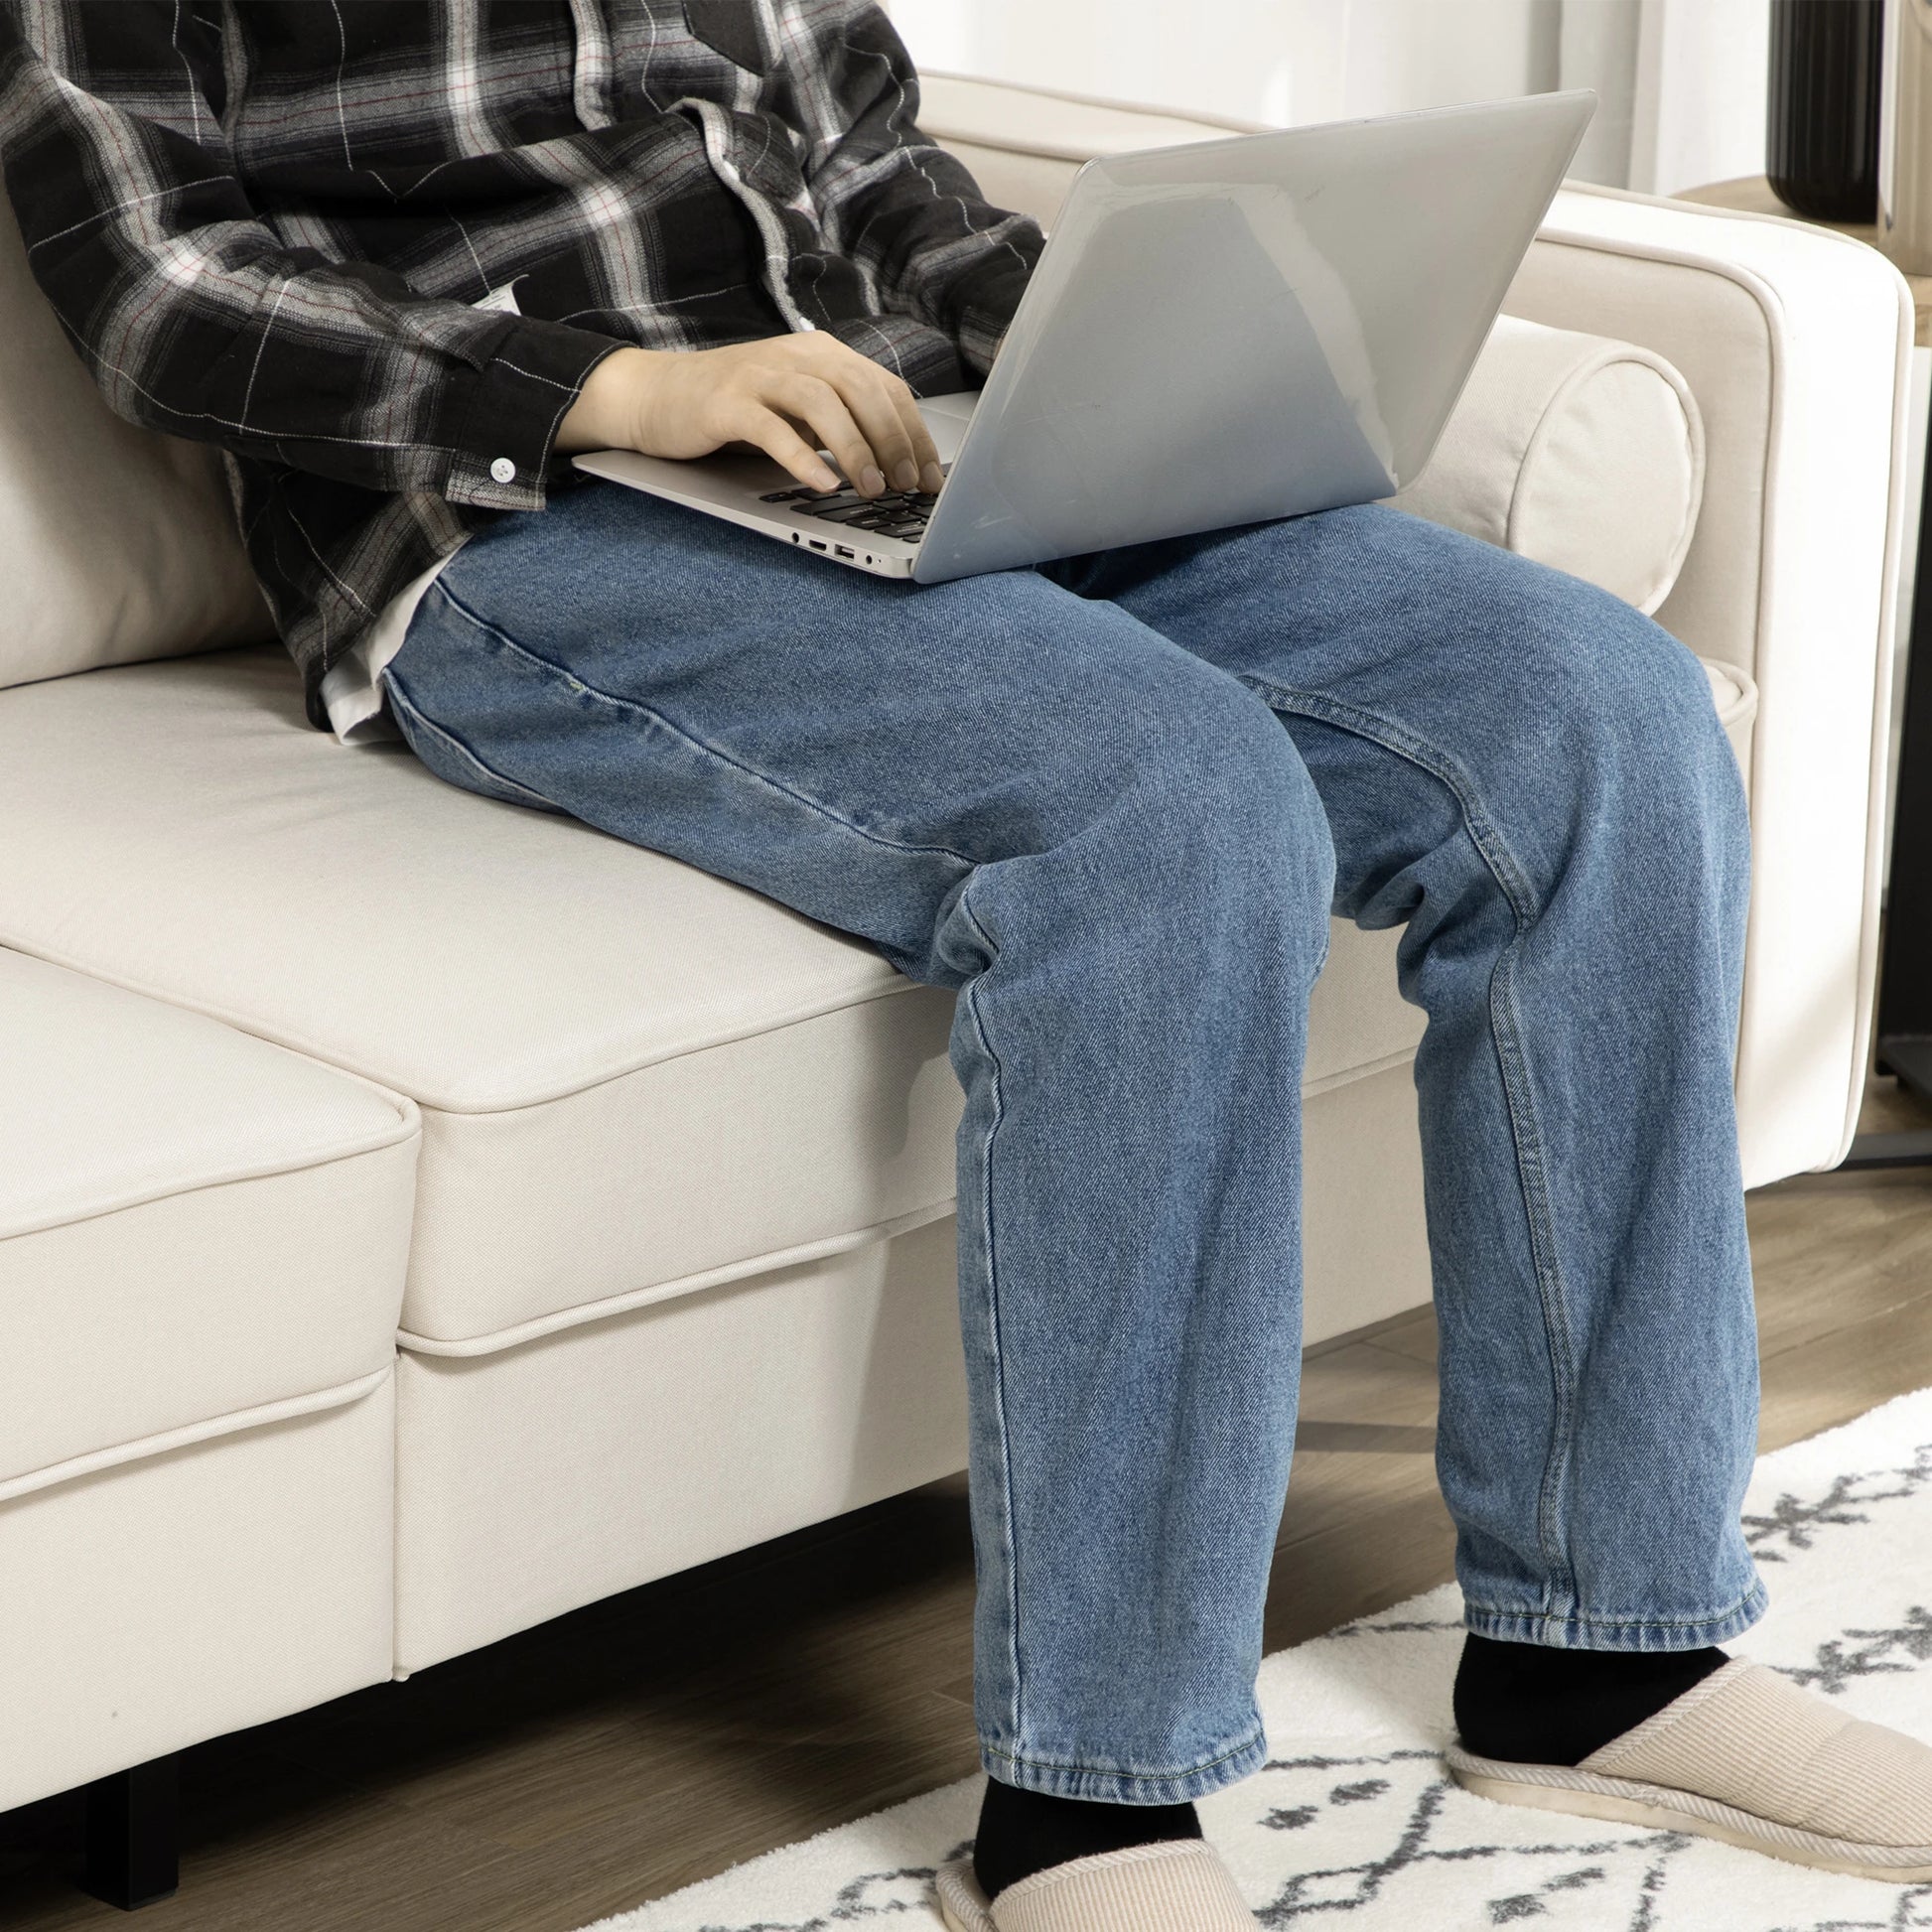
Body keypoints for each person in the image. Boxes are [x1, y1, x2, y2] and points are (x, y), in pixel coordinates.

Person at [6, 6, 1930, 1928]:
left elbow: (869, 165)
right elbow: (160, 294)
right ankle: (1094, 1801)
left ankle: (1607, 1659)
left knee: (1595, 710)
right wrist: (606, 389)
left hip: (928, 445)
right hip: (523, 518)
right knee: (1159, 805)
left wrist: (1089, 346)